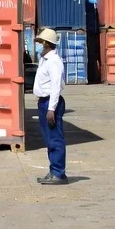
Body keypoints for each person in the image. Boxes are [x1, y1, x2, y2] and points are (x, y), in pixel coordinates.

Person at [33, 28, 68, 185]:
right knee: (49, 139)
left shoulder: (54, 61)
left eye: (40, 42)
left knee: (55, 139)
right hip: (44, 101)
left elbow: (55, 86)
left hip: (51, 103)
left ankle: (58, 173)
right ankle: (54, 171)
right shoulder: (45, 59)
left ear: (46, 44)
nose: (39, 45)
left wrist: (51, 109)